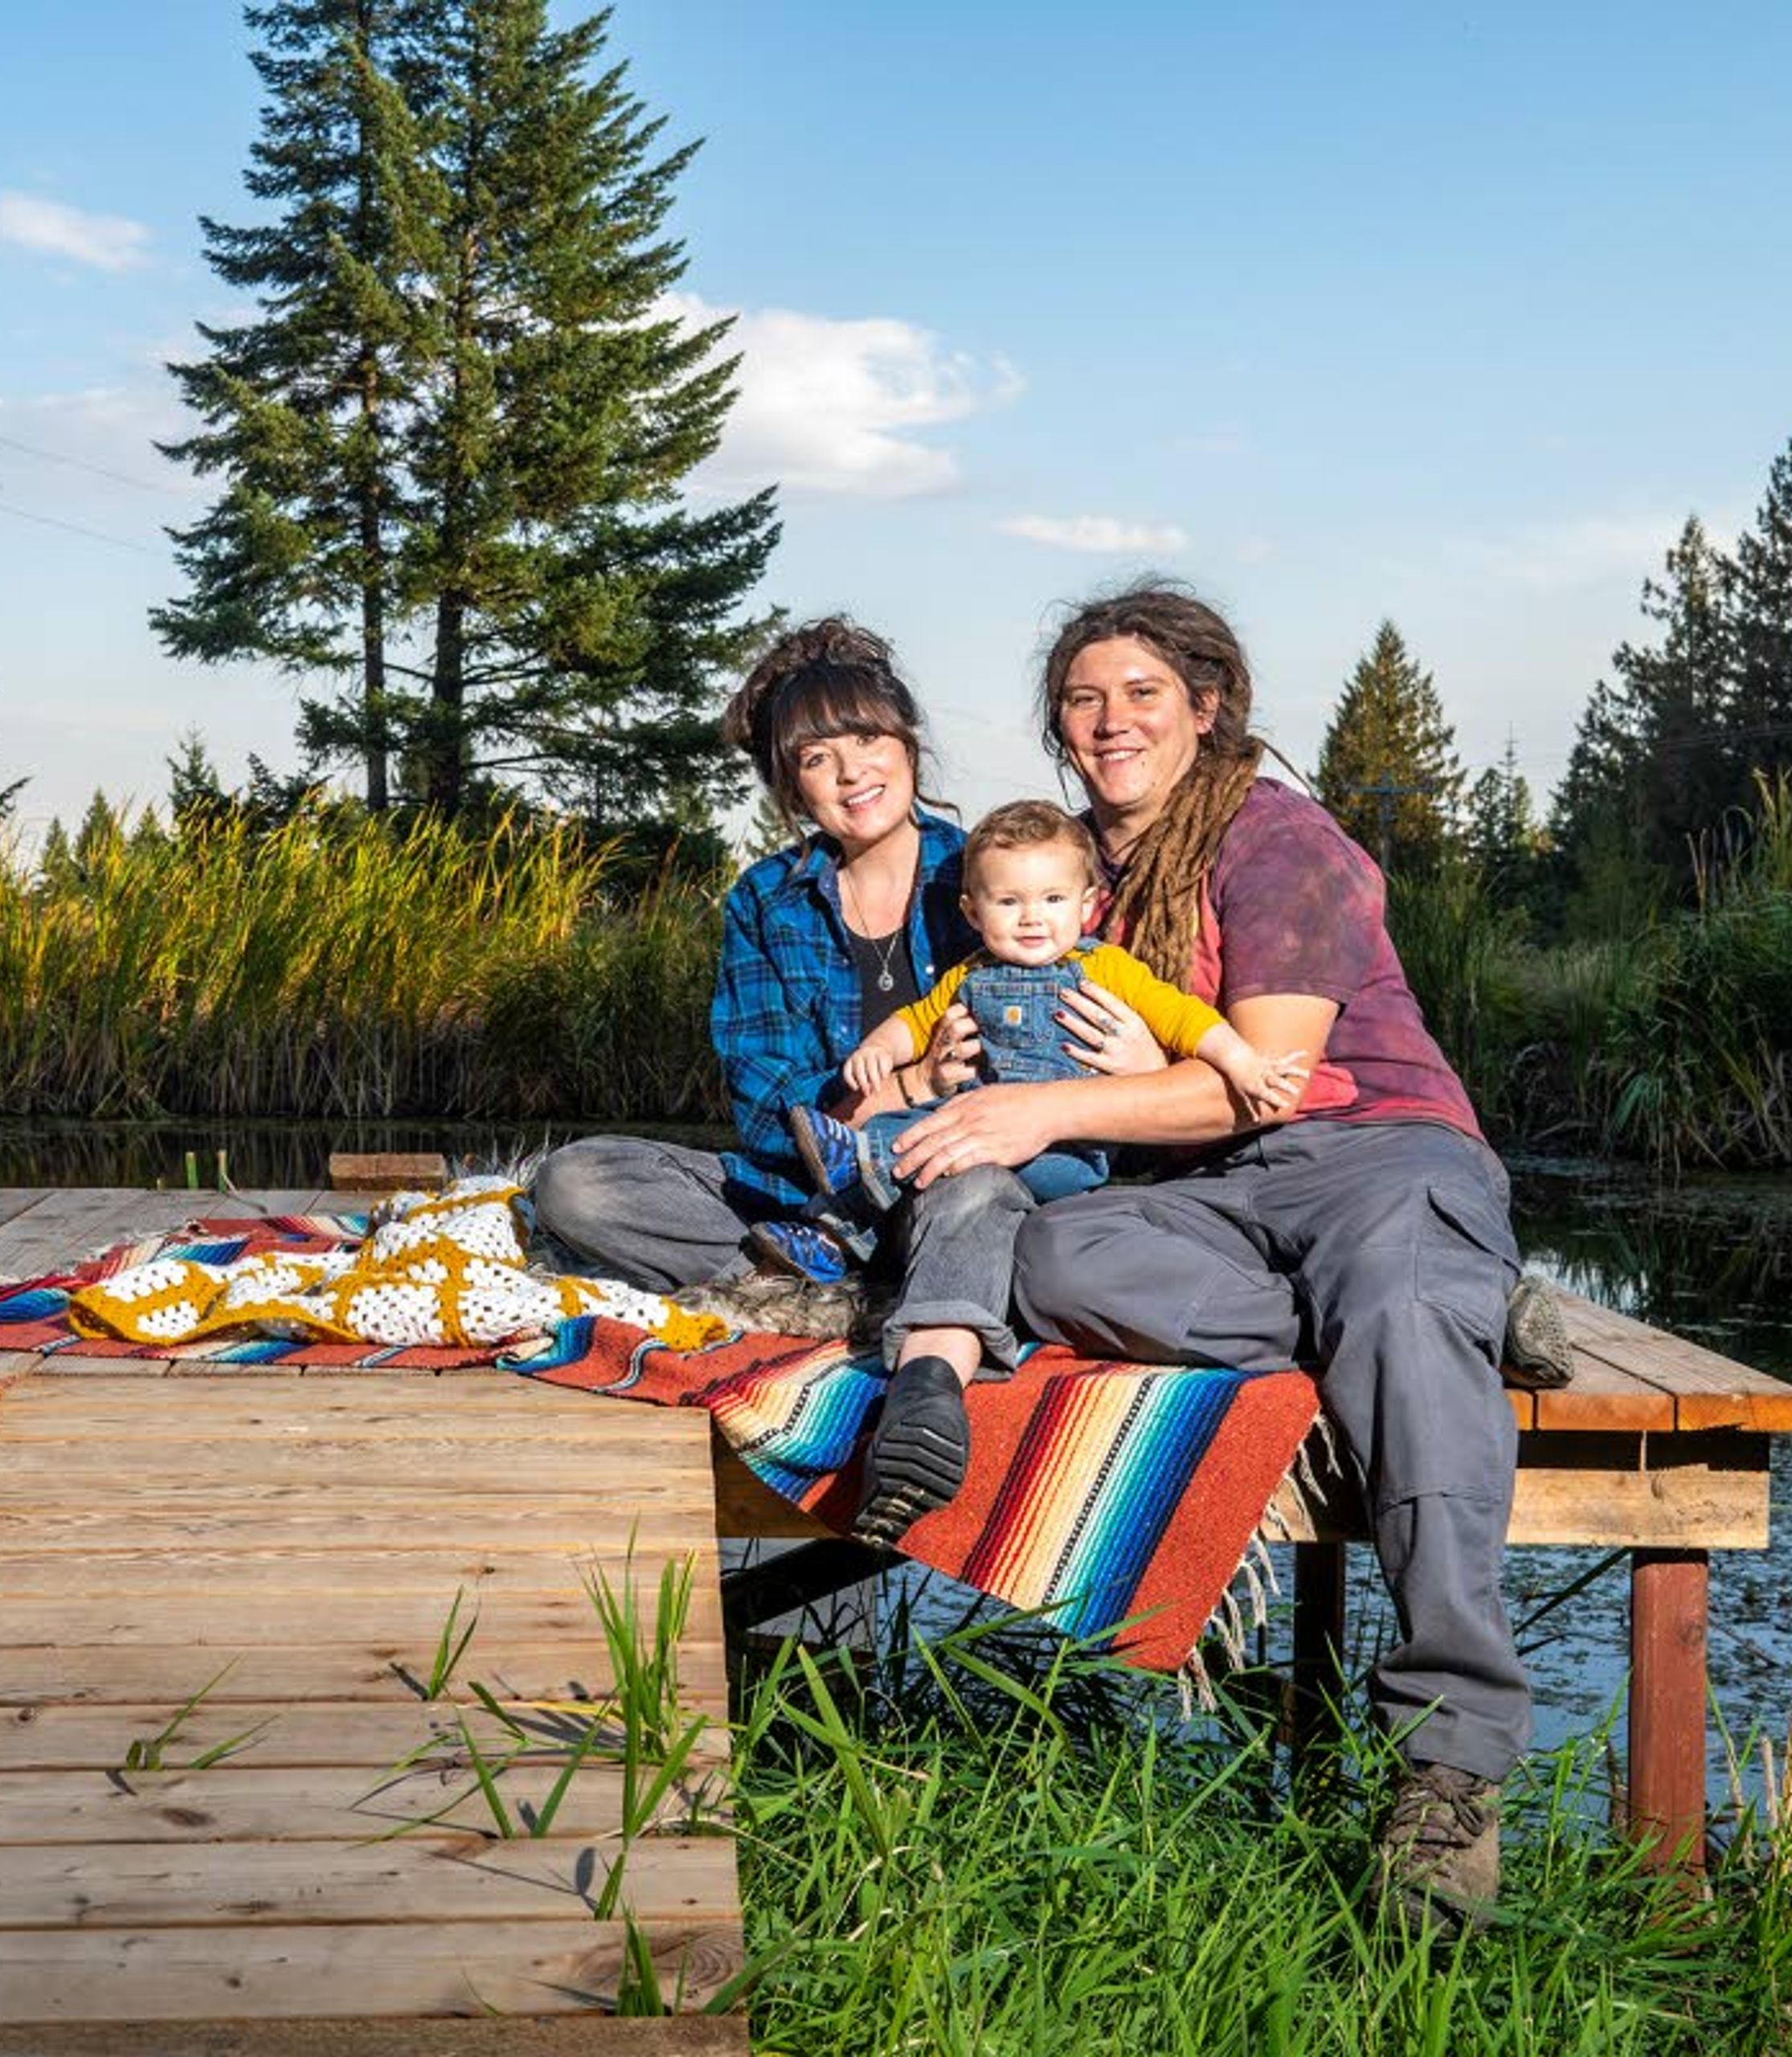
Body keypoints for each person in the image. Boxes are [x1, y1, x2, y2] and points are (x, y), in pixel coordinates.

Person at [882, 580, 1531, 1935]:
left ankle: (1452, 1759)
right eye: (1082, 697)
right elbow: (1040, 1045)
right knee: (1048, 1259)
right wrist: (960, 1062)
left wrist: (1048, 1104)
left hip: (1374, 1152)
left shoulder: (1280, 841)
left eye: (1141, 695)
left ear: (1207, 706)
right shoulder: (1075, 878)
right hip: (1204, 1192)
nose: (1108, 721)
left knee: (1402, 1317)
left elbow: (1274, 1080)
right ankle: (1435, 1300)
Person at [526, 616, 979, 1295]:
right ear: (792, 787)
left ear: (906, 743)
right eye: (817, 758)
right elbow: (767, 1113)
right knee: (576, 1184)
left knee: (1004, 1214)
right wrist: (913, 1088)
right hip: (797, 1199)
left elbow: (1020, 1069)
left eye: (866, 738)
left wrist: (894, 1120)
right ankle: (817, 1269)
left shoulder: (984, 874)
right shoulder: (766, 900)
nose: (853, 771)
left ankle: (823, 1277)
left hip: (956, 1182)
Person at [788, 797, 1304, 1216]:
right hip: (979, 1126)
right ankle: (835, 1221)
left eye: (1053, 900)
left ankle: (854, 1178)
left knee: (944, 1146)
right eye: (1010, 902)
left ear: (1085, 905)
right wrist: (879, 1046)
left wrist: (1244, 1062)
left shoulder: (1106, 967)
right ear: (972, 911)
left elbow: (1184, 1019)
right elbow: (916, 1021)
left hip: (1067, 1152)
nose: (1032, 918)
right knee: (923, 1129)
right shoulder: (970, 974)